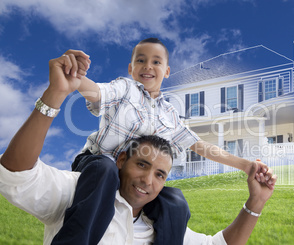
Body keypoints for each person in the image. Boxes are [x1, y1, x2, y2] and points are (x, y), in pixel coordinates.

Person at [0, 51, 278, 243]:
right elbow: (16, 175)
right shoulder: (124, 90)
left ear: (167, 71)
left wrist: (248, 174)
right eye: (140, 60)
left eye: (160, 174)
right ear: (131, 69)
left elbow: (199, 145)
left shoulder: (169, 115)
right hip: (96, 168)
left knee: (176, 200)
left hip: (120, 174)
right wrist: (64, 86)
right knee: (104, 170)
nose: (148, 179)